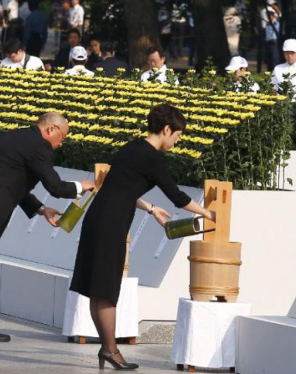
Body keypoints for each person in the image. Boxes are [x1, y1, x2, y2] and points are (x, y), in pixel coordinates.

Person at [70, 104, 215, 371]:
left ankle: (108, 348)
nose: (177, 141)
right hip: (110, 223)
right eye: (177, 135)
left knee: (98, 288)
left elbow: (121, 187)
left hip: (100, 218)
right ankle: (110, 350)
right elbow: (177, 196)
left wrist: (150, 209)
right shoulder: (152, 157)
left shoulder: (133, 147)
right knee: (105, 289)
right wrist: (207, 212)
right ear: (167, 129)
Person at [0, 113, 95, 342]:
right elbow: (55, 186)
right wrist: (80, 186)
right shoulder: (38, 145)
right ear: (51, 129)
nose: (60, 144)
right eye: (62, 137)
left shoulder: (19, 137)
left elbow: (11, 181)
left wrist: (41, 209)